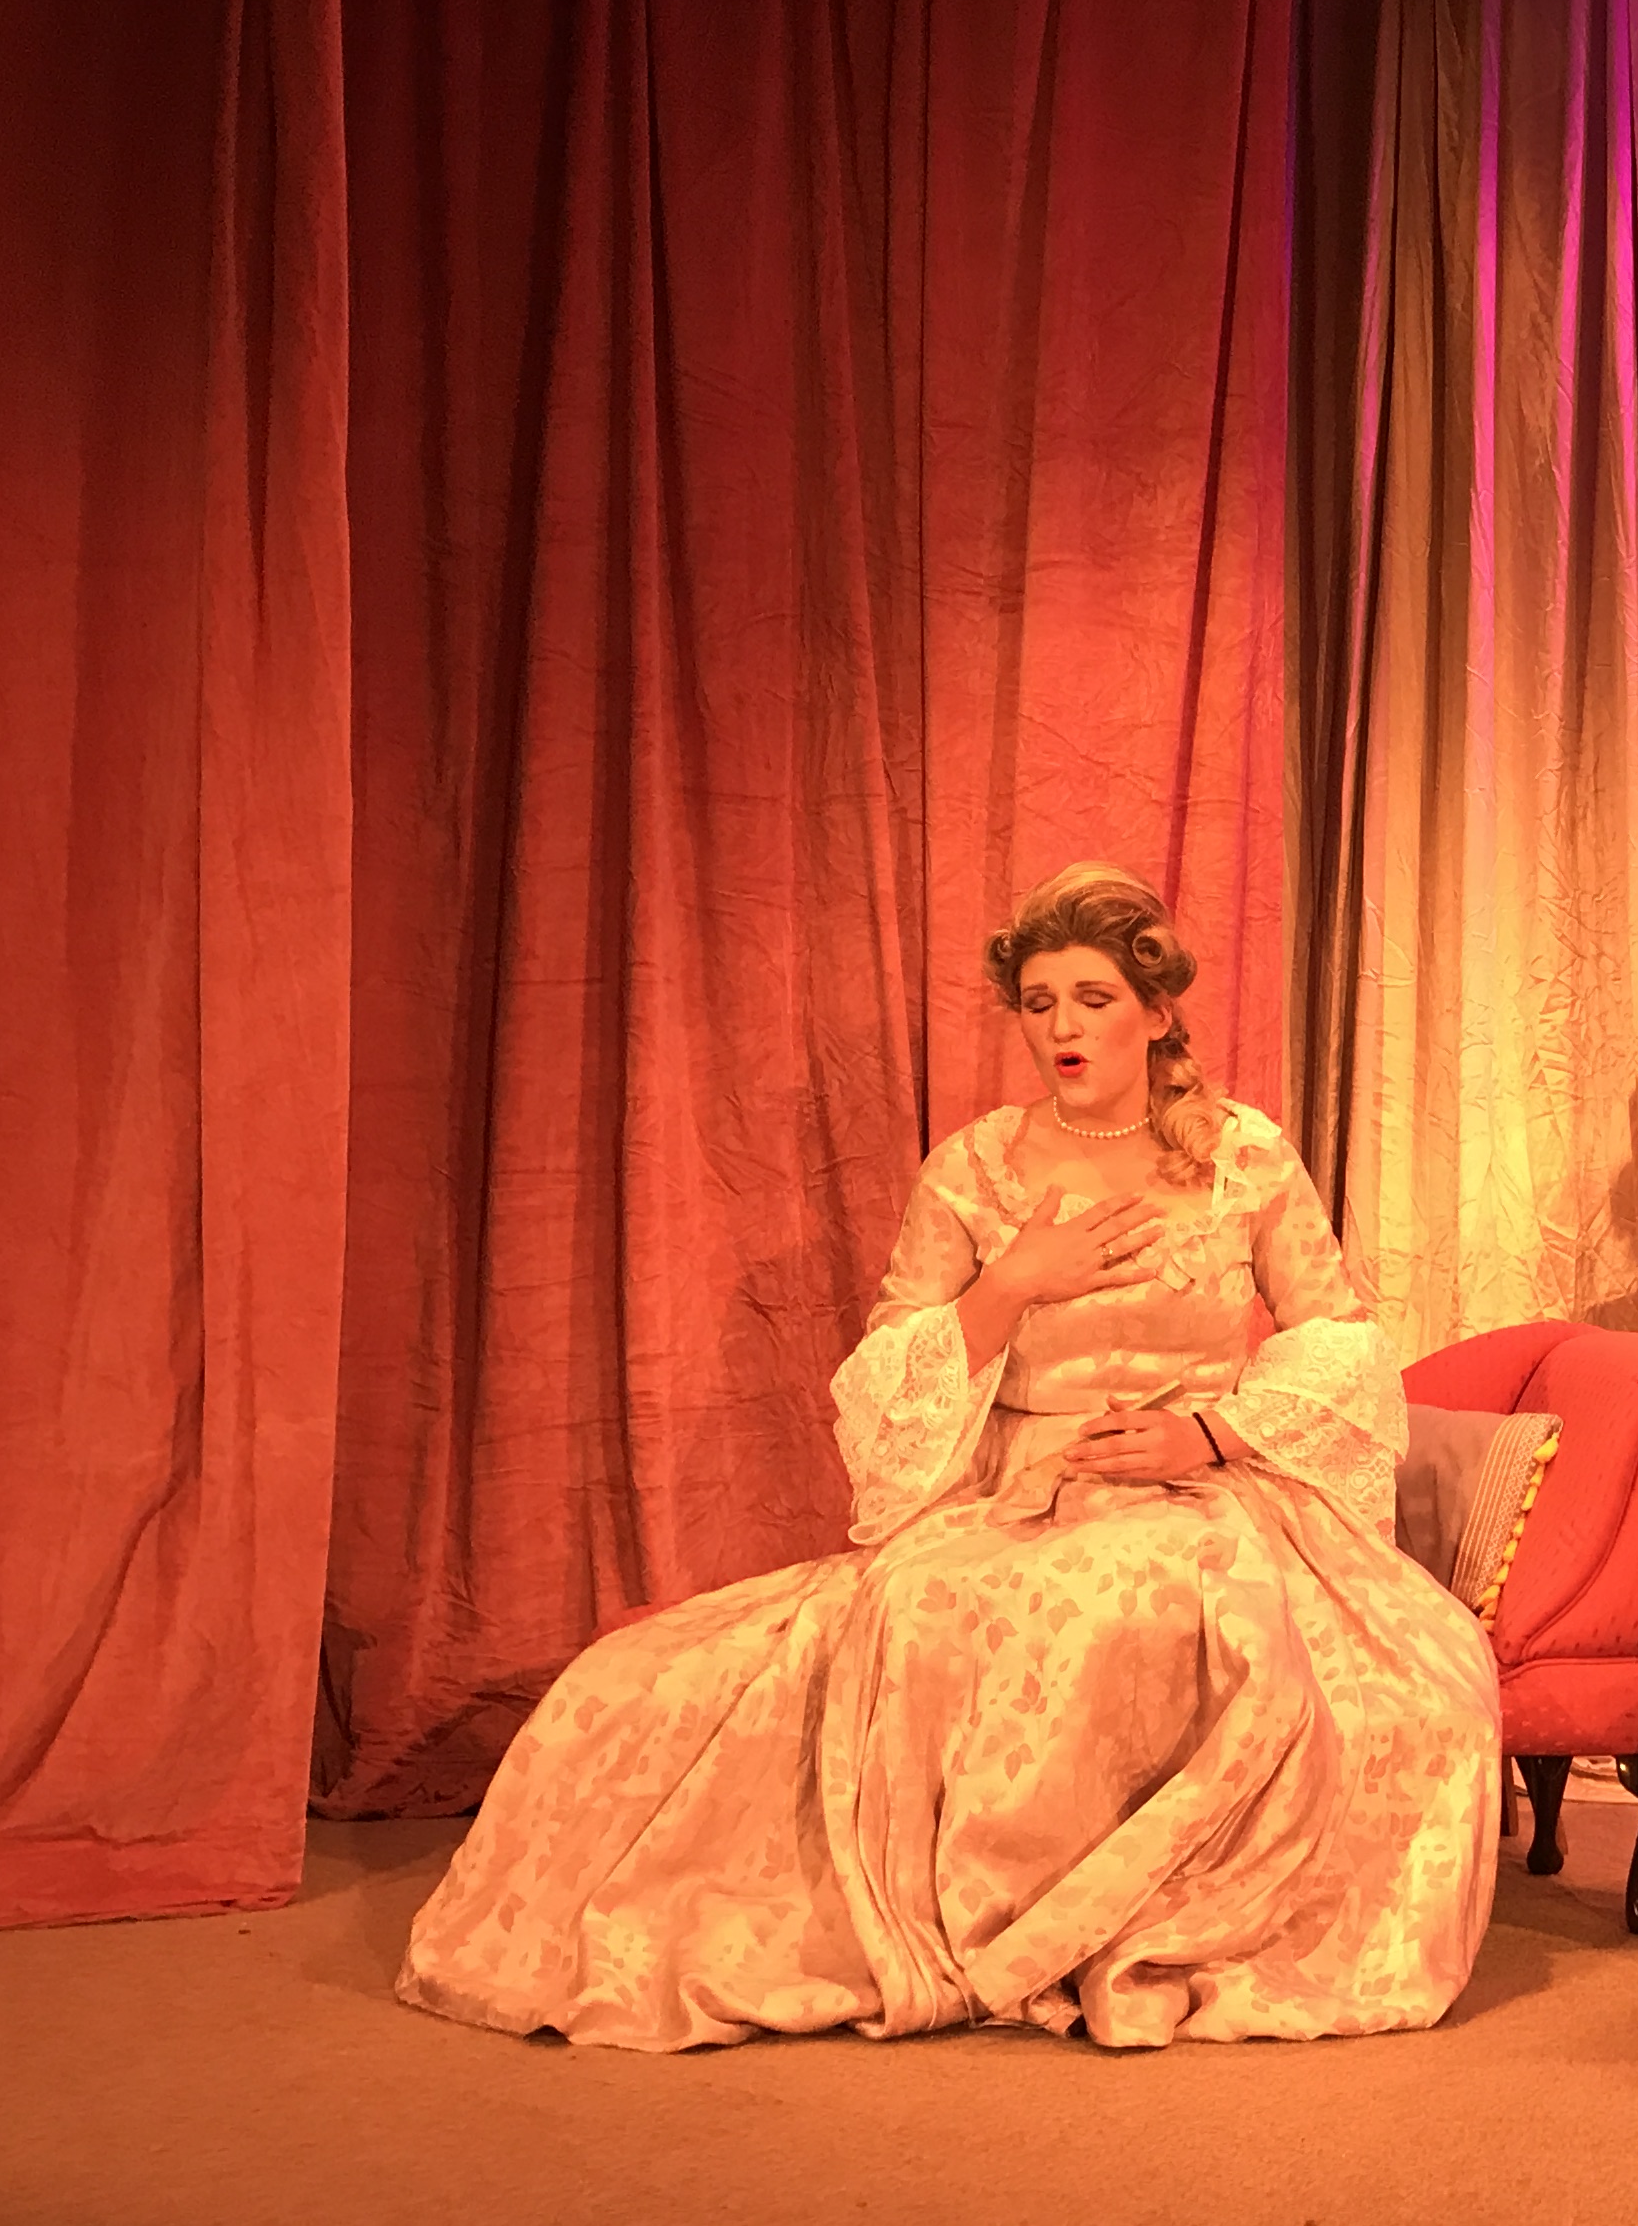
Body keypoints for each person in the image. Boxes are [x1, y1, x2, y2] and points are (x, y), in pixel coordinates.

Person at [399, 863, 1502, 2049]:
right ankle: (981, 1916)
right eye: (1040, 1002)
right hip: (1020, 1488)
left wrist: (1206, 1432)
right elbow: (891, 1374)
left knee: (1256, 1629)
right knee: (892, 1612)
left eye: (1092, 998)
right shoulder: (974, 1169)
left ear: (1155, 1012)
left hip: (1202, 1487)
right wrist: (1010, 1285)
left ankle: (1116, 1912)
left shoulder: (1241, 1155)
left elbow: (1339, 1335)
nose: (1063, 1026)